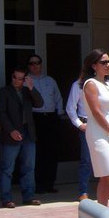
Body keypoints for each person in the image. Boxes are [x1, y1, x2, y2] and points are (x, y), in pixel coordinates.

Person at [81, 49, 109, 217]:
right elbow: (96, 112)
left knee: (105, 177)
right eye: (103, 62)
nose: (108, 65)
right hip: (99, 136)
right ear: (94, 66)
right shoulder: (91, 84)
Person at [0, 66, 43, 208]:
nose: (17, 81)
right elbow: (1, 113)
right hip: (11, 134)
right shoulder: (3, 92)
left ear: (25, 80)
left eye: (20, 78)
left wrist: (31, 88)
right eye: (15, 77)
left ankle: (28, 196)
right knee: (7, 168)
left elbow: (40, 103)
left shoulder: (27, 91)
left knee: (29, 167)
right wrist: (11, 131)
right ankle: (6, 198)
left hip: (28, 133)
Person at [26, 54, 64, 194]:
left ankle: (49, 183)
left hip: (51, 118)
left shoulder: (50, 80)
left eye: (37, 63)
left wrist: (60, 113)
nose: (35, 65)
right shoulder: (26, 82)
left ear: (41, 65)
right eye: (32, 63)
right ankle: (38, 184)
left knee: (51, 152)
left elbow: (58, 97)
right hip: (35, 118)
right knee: (38, 152)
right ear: (28, 66)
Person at [65, 78, 94, 201]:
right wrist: (79, 124)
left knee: (105, 158)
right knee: (86, 159)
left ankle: (106, 190)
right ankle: (84, 191)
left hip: (103, 125)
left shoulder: (106, 84)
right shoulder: (78, 85)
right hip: (87, 124)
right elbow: (70, 107)